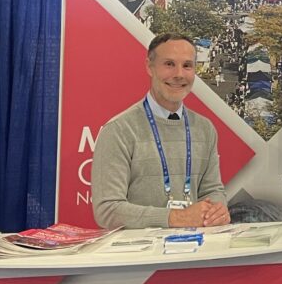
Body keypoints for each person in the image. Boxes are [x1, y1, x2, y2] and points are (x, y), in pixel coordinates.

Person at [92, 33, 230, 229]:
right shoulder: (119, 130)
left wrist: (216, 211)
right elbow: (108, 210)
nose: (179, 74)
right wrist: (176, 218)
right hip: (140, 249)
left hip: (195, 245)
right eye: (169, 64)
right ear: (150, 67)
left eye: (187, 65)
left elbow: (213, 191)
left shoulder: (205, 129)